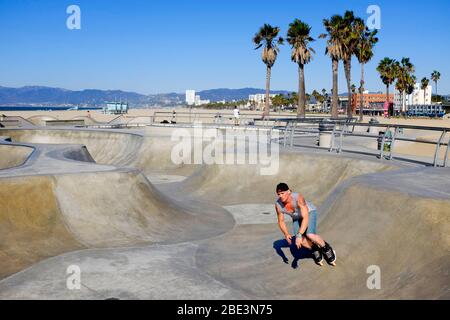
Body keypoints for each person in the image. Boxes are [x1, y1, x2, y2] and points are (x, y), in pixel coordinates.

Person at [275, 182, 336, 266]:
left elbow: (306, 217)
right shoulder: (278, 205)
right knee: (300, 241)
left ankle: (326, 248)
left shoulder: (298, 197)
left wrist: (300, 234)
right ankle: (314, 248)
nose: (280, 196)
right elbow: (281, 221)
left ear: (289, 191)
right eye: (278, 194)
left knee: (310, 235)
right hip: (296, 218)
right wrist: (286, 234)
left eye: (282, 193)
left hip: (309, 213)